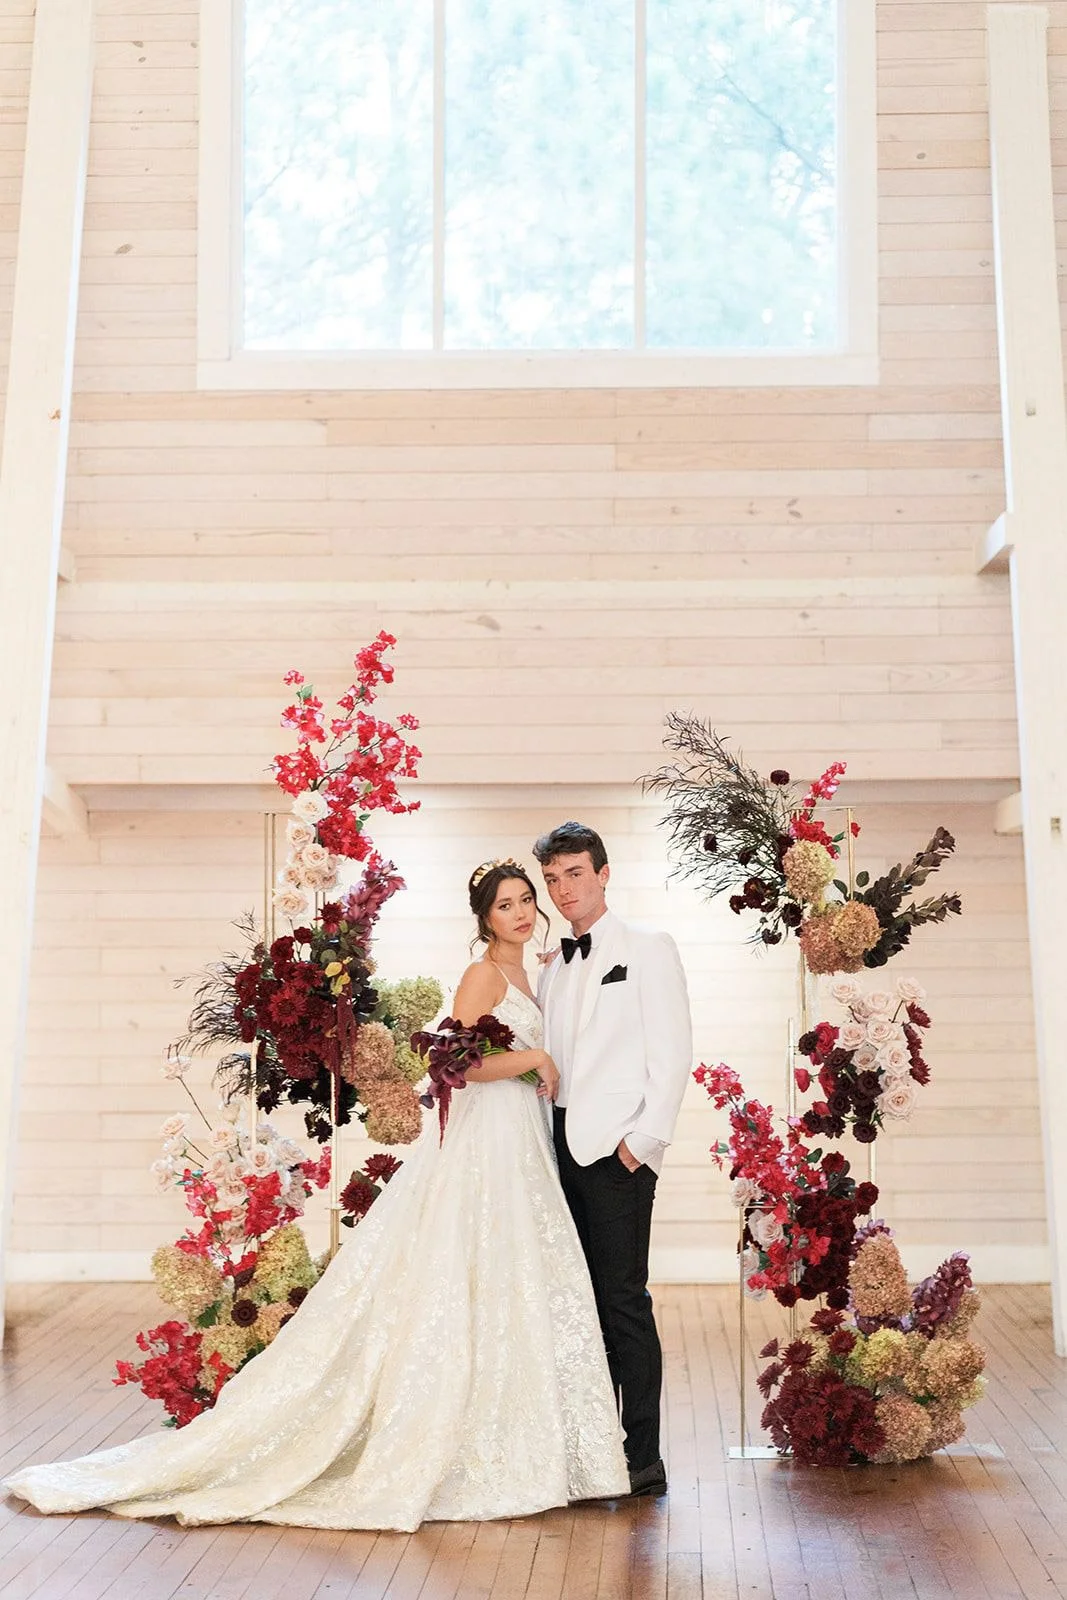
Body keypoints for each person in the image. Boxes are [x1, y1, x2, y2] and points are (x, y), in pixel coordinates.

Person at [3, 860, 629, 1531]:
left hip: (518, 1136)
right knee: (470, 1265)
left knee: (511, 1274)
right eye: (506, 904)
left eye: (526, 899)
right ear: (483, 918)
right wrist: (532, 1060)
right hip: (490, 1138)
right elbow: (457, 1064)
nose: (522, 911)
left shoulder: (530, 971)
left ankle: (522, 1437)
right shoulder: (481, 974)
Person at [533, 822, 692, 1498]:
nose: (562, 889)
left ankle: (642, 1456)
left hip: (617, 1152)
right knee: (579, 1303)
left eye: (572, 873)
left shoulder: (647, 949)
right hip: (554, 1146)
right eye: (551, 879)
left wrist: (643, 1142)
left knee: (624, 1302)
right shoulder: (549, 964)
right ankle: (597, 1446)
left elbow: (674, 1051)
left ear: (602, 872)